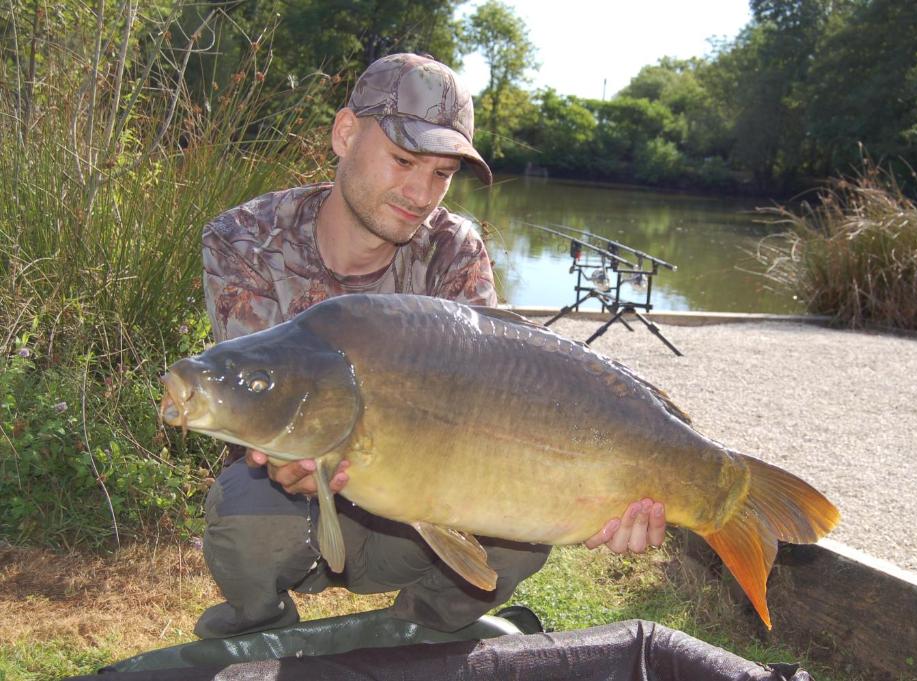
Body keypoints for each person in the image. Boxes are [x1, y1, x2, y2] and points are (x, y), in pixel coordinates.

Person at [197, 53, 666, 639]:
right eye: (403, 159)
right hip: (300, 507)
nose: (421, 193)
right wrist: (293, 457)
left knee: (522, 522)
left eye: (442, 173)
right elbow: (252, 398)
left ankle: (421, 636)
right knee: (247, 503)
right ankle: (260, 627)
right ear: (345, 133)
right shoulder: (245, 238)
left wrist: (594, 499)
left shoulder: (454, 249)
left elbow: (500, 398)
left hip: (421, 494)